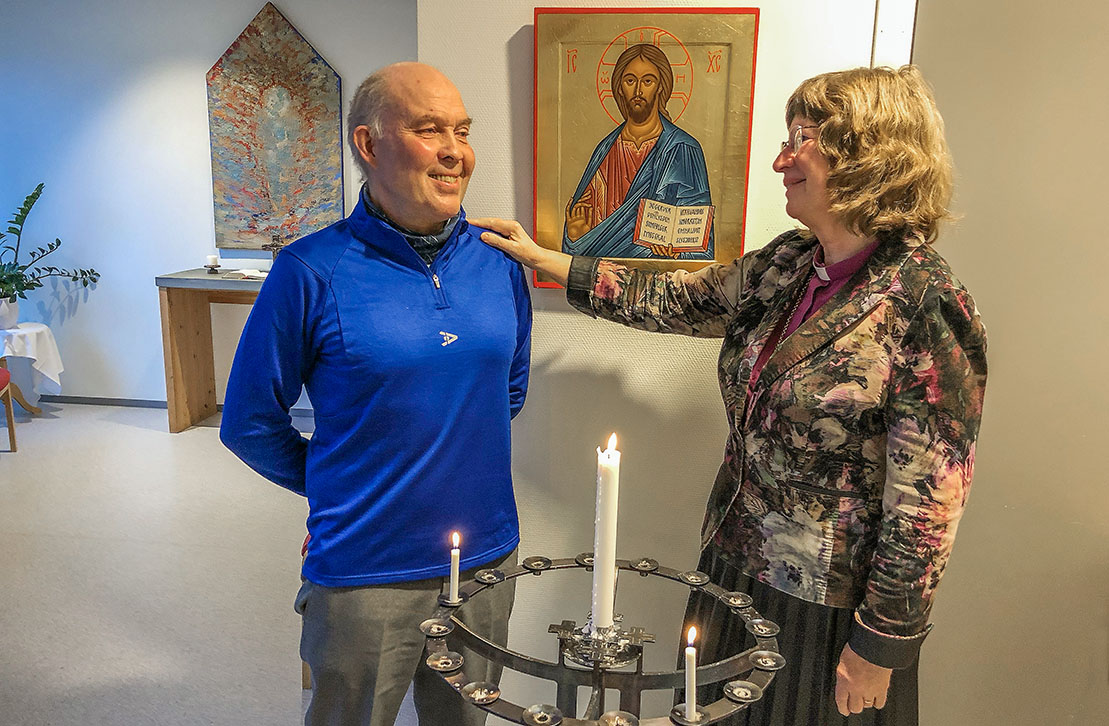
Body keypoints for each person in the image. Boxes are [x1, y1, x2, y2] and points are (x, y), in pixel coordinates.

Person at [473, 65, 986, 725]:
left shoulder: (925, 301)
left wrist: (880, 646)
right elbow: (675, 299)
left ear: (865, 151)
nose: (780, 160)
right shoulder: (788, 264)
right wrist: (548, 259)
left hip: (826, 610)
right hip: (733, 571)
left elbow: (926, 509)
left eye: (801, 139)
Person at [220, 62, 532, 726]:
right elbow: (248, 421)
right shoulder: (309, 270)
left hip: (484, 560)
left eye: (462, 131)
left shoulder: (500, 260)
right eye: (429, 129)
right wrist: (340, 485)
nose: (455, 151)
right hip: (365, 571)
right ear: (369, 144)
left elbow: (507, 389)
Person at [563, 43, 714, 260]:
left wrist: (678, 252)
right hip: (605, 276)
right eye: (630, 81)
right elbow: (580, 243)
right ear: (619, 88)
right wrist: (575, 237)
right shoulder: (605, 151)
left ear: (661, 86)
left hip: (661, 278)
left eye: (648, 81)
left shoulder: (683, 149)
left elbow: (701, 244)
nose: (638, 91)